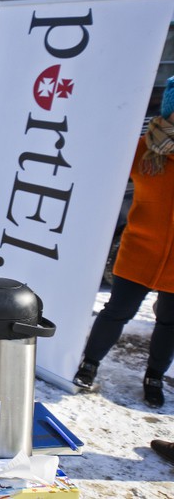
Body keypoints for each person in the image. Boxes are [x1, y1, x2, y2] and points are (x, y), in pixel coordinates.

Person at [73, 75, 174, 409]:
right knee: (117, 311)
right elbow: (103, 175)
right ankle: (89, 363)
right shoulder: (144, 149)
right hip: (139, 250)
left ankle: (154, 376)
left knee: (170, 321)